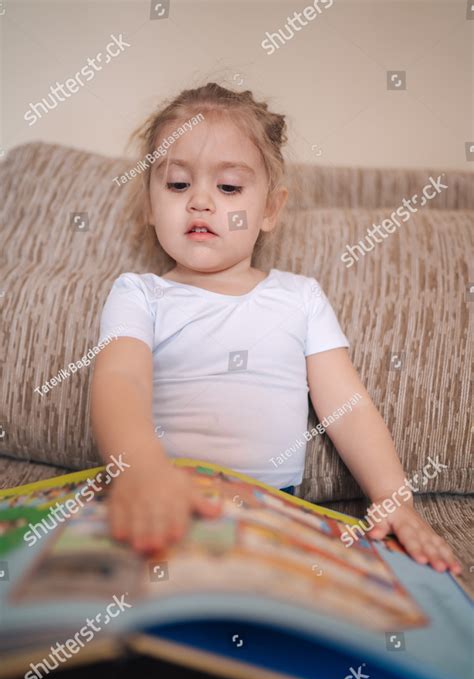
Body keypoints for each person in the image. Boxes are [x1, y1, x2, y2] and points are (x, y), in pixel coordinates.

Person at [91, 82, 461, 574]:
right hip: (156, 495)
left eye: (228, 188)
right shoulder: (139, 294)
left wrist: (394, 498)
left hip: (270, 510)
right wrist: (140, 472)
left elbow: (347, 407)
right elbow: (120, 379)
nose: (201, 201)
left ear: (269, 209)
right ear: (148, 205)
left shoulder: (299, 297)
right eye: (178, 184)